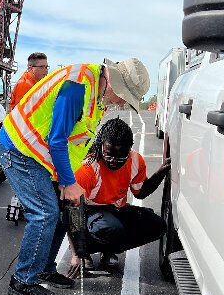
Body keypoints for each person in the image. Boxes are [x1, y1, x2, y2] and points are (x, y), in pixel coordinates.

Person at [0, 58, 150, 295]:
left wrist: (68, 179)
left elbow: (76, 141)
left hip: (40, 155)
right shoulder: (77, 87)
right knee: (44, 213)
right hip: (18, 150)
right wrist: (68, 182)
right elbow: (58, 140)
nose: (121, 102)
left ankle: (44, 270)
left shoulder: (96, 93)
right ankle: (22, 280)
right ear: (112, 81)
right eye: (123, 96)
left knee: (59, 212)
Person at [67, 117, 170, 278]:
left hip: (115, 210)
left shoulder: (135, 160)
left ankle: (109, 249)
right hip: (88, 212)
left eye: (120, 155)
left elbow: (140, 192)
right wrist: (76, 254)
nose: (113, 160)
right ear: (102, 146)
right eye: (108, 154)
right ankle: (86, 251)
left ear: (129, 149)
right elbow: (71, 213)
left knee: (157, 226)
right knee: (111, 228)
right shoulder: (88, 169)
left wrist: (162, 171)